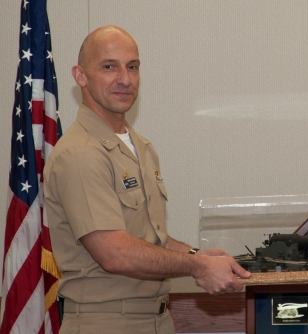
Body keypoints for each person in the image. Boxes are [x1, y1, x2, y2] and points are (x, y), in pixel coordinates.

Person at [43, 25, 250, 334]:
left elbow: (147, 240)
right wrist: (198, 267)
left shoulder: (140, 147)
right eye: (109, 66)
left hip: (157, 320)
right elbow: (115, 253)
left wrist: (197, 255)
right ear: (80, 76)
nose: (124, 79)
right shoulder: (81, 153)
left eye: (133, 67)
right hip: (106, 322)